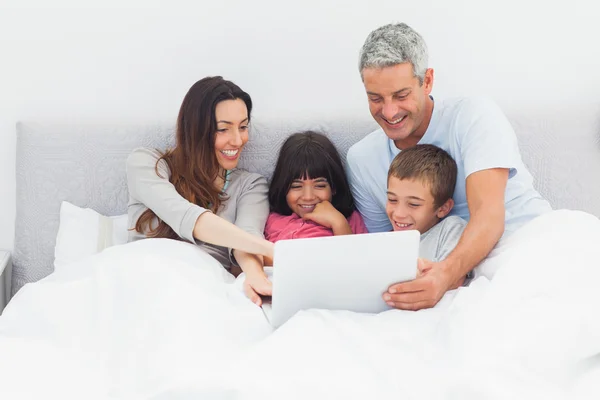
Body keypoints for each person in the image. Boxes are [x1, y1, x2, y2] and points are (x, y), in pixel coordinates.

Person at [346, 23, 552, 310]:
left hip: (524, 246)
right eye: (375, 98)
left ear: (427, 81)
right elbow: (390, 248)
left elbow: (488, 216)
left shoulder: (474, 116)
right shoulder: (362, 160)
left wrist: (445, 275)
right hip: (447, 280)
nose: (389, 112)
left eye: (401, 95)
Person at [126, 76, 273, 306]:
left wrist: (255, 275)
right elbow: (187, 216)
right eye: (223, 129)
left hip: (201, 293)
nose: (237, 140)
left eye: (243, 127)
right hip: (140, 283)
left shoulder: (251, 185)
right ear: (195, 130)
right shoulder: (147, 163)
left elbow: (247, 238)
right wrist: (275, 252)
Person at [382, 144, 469, 308]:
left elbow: (455, 279)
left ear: (442, 208)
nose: (398, 213)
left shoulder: (450, 229)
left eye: (413, 204)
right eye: (392, 200)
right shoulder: (387, 240)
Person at [264, 131, 367, 258]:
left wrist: (338, 223)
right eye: (296, 186)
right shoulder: (272, 220)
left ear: (334, 187)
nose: (308, 197)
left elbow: (358, 262)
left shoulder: (351, 220)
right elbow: (261, 259)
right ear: (283, 187)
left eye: (319, 185)